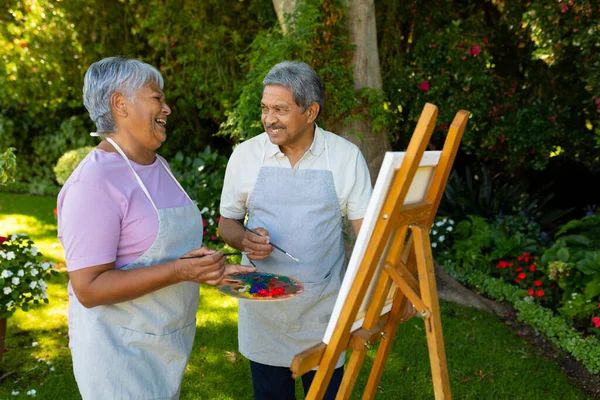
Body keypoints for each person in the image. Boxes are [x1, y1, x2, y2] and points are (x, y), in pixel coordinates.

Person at [57, 56, 255, 400]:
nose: (167, 108)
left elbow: (162, 252)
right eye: (156, 98)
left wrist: (210, 270)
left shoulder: (158, 166)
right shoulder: (93, 182)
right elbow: (88, 288)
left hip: (166, 345)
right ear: (120, 104)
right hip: (118, 354)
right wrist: (179, 270)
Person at [218, 61, 373, 399]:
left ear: (311, 111)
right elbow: (225, 223)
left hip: (323, 314)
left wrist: (373, 298)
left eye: (280, 109)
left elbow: (368, 238)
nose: (269, 118)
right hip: (263, 315)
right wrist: (244, 238)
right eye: (265, 108)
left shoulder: (346, 158)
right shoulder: (245, 155)